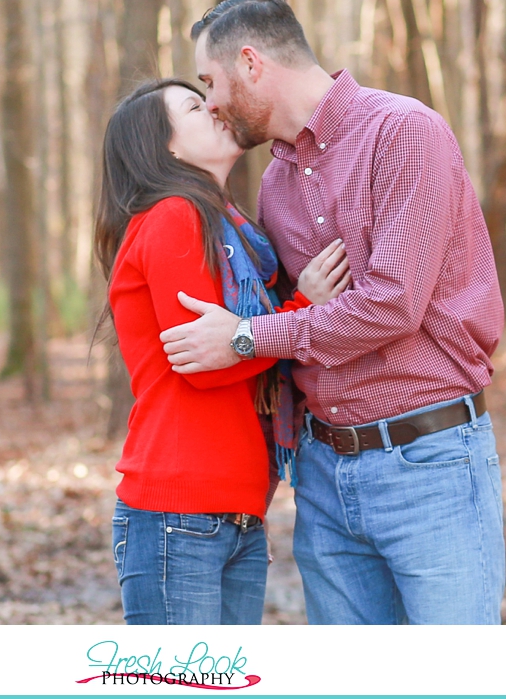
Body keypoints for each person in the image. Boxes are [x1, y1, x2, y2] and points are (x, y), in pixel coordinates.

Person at [159, 0, 506, 625]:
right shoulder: (276, 181)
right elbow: (298, 321)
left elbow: (392, 306)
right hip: (323, 476)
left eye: (211, 81)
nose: (209, 101)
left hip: (428, 465)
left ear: (251, 62)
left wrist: (246, 336)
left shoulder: (403, 132)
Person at [94, 77, 351, 625]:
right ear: (165, 147)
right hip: (178, 506)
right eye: (193, 106)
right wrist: (303, 305)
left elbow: (236, 342)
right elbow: (206, 366)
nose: (213, 107)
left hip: (236, 510)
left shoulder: (233, 232)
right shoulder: (173, 217)